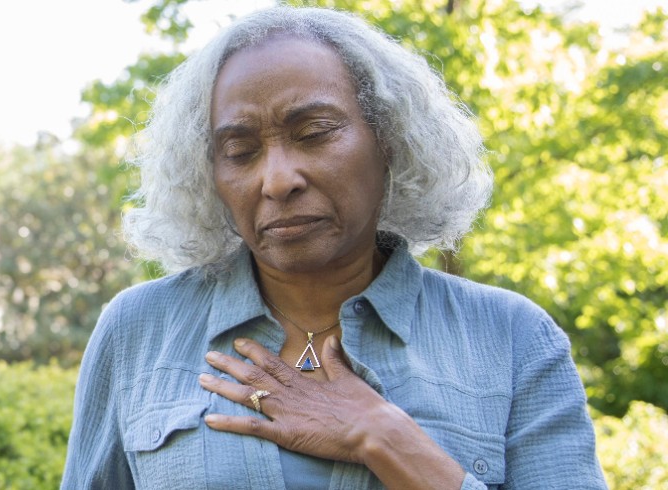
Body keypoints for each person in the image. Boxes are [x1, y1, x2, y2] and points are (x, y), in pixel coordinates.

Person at [61, 6, 605, 490]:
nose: (276, 180)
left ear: (389, 140)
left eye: (315, 132)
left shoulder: (513, 339)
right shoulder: (138, 329)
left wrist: (386, 438)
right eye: (241, 150)